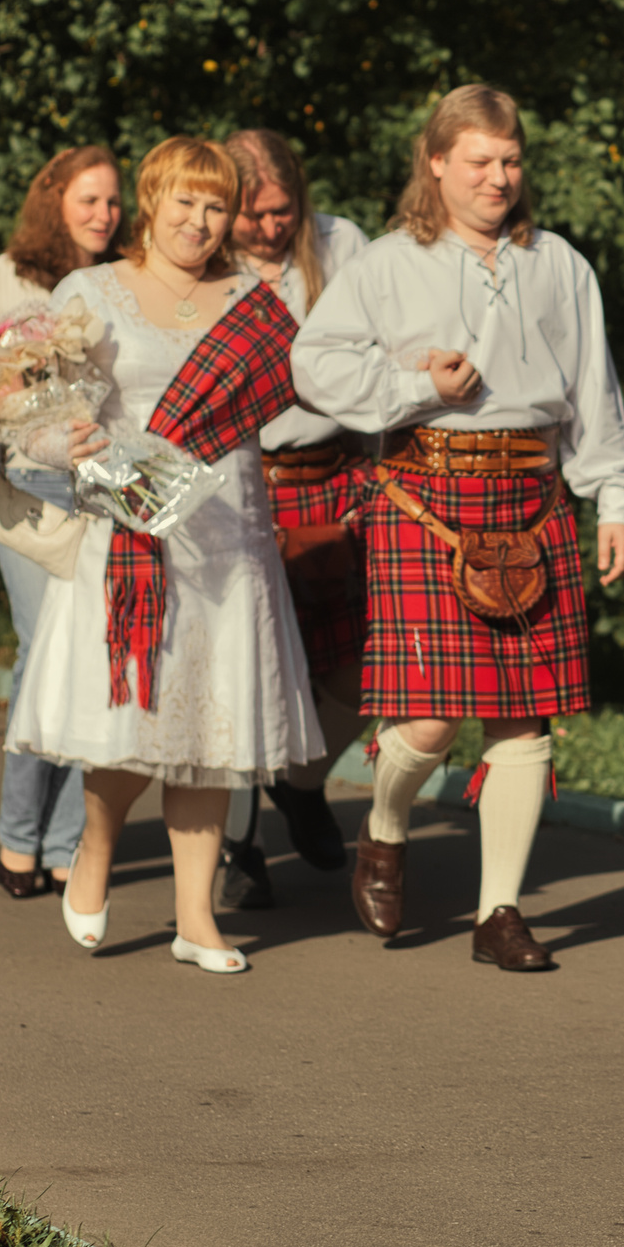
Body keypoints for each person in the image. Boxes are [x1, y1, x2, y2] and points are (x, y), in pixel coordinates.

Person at [292, 85, 624, 971]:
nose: (499, 177)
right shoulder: (388, 262)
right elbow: (314, 365)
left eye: (511, 160)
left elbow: (594, 390)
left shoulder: (559, 263)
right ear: (437, 161)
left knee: (524, 718)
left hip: (531, 499)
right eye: (480, 160)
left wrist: (614, 499)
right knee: (432, 722)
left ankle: (500, 913)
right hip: (424, 494)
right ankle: (383, 825)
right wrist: (417, 387)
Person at [4, 136, 324, 975]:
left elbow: (307, 392)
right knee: (132, 725)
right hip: (132, 536)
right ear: (151, 200)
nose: (200, 221)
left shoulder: (252, 300)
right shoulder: (90, 292)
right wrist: (63, 441)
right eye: (185, 201)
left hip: (229, 542)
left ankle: (196, 919)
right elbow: (35, 417)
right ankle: (95, 850)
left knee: (212, 731)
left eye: (217, 206)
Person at [211, 129, 375, 908]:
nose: (273, 227)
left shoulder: (343, 244)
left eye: (284, 211)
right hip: (242, 480)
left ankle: (302, 782)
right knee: (244, 672)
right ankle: (238, 848)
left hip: (335, 472)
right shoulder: (205, 257)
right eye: (255, 214)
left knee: (365, 661)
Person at [0, 145, 123, 901]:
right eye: (89, 200)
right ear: (54, 200)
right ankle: (17, 833)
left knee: (87, 658)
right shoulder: (7, 277)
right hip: (32, 485)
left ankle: (66, 842)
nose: (104, 215)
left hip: (103, 486)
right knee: (41, 652)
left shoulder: (122, 281)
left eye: (113, 202)